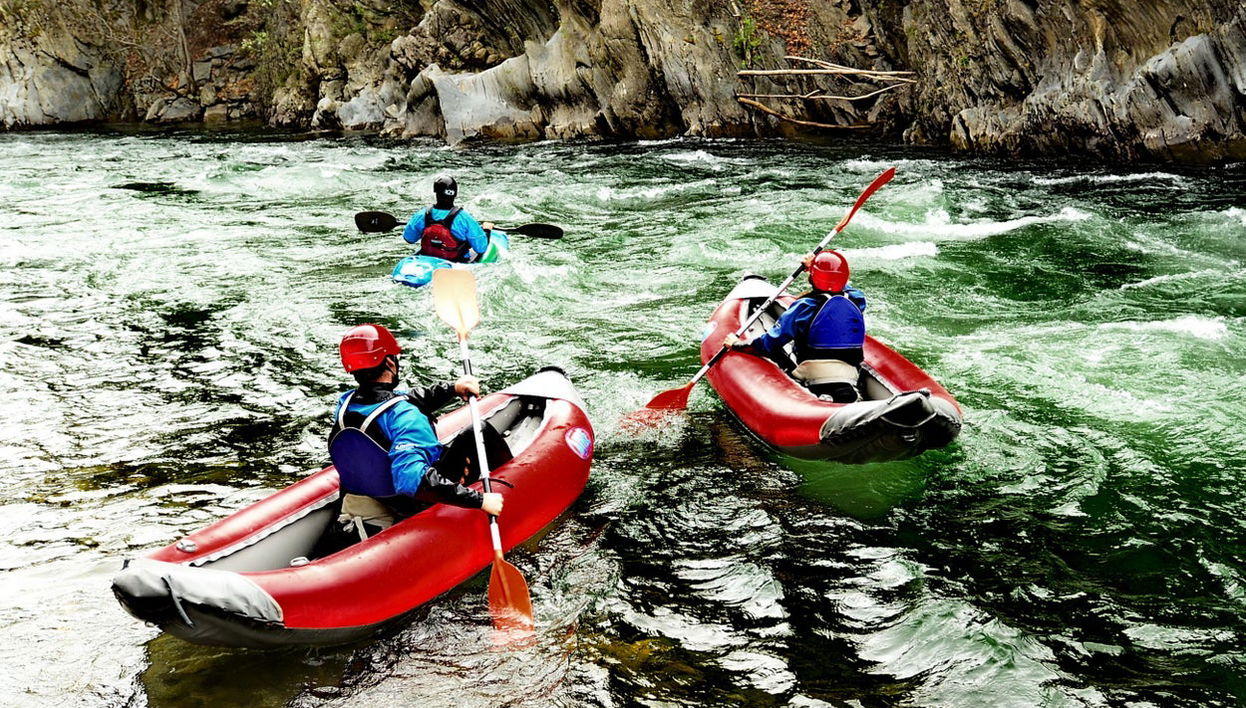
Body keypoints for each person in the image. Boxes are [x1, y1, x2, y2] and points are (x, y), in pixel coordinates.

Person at [326, 323, 504, 539]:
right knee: (479, 431)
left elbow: (402, 398)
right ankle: (515, 485)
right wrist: (480, 500)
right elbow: (412, 480)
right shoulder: (406, 416)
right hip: (413, 502)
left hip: (378, 493)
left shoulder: (345, 404)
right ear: (390, 362)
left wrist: (453, 388)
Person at [723, 251, 868, 403]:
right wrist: (821, 271)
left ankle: (814, 392)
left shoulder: (804, 307)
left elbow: (769, 343)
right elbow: (842, 288)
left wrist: (737, 344)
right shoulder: (857, 299)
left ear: (813, 277)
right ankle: (844, 391)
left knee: (776, 351)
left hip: (813, 372)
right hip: (851, 372)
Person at [401, 174, 494, 262]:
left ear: (436, 192)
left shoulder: (422, 215)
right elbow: (481, 248)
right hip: (456, 262)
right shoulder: (464, 218)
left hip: (427, 259)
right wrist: (486, 231)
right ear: (454, 194)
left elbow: (409, 238)